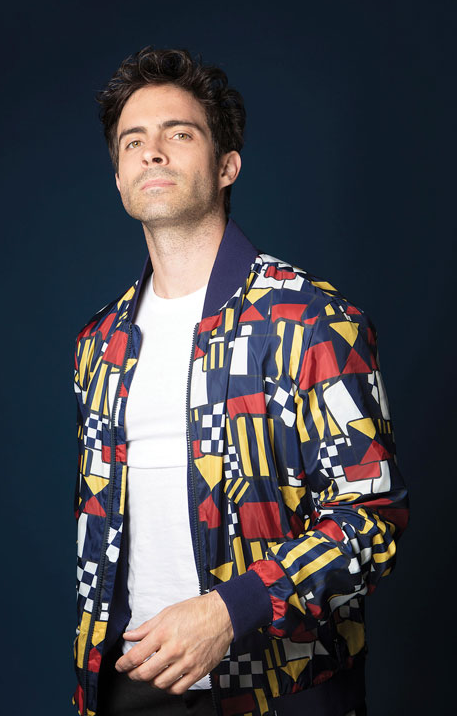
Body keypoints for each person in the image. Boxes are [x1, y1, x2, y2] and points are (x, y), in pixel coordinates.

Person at [71, 47, 409, 716]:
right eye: (133, 141)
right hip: (127, 686)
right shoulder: (99, 344)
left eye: (179, 134)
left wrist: (230, 610)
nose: (152, 152)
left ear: (227, 166)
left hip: (278, 689)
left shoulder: (310, 320)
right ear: (119, 178)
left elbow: (372, 521)